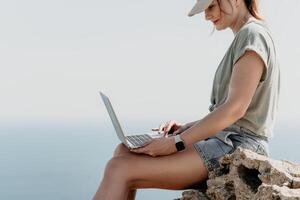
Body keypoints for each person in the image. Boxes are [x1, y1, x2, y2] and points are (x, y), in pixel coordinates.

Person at [93, 0, 280, 199]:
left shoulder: (253, 35)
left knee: (119, 169)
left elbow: (235, 109)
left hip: (238, 147)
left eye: (210, 7)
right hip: (224, 140)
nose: (206, 15)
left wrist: (176, 142)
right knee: (123, 151)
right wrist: (187, 128)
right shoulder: (246, 36)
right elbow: (231, 111)